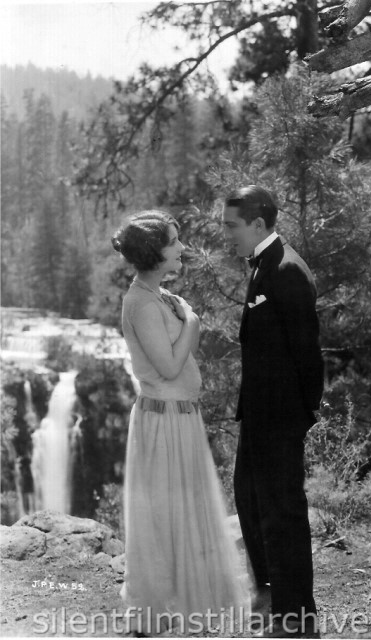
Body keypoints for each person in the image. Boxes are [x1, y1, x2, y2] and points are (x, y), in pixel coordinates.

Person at [112, 210, 249, 636]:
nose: (182, 248)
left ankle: (186, 605)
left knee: (183, 511)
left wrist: (182, 312)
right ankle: (158, 612)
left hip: (178, 419)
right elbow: (169, 368)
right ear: (154, 253)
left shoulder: (159, 297)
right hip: (163, 422)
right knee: (164, 516)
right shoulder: (140, 301)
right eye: (173, 242)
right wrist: (192, 321)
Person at [223, 186, 324, 639]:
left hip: (281, 418)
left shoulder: (287, 270)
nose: (227, 235)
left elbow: (309, 355)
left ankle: (296, 610)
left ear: (259, 225)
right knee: (247, 497)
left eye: (232, 226)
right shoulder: (264, 262)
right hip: (258, 414)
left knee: (282, 509)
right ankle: (266, 589)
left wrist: (301, 417)